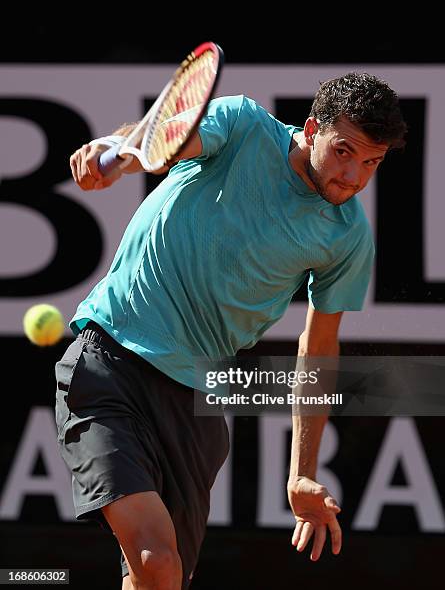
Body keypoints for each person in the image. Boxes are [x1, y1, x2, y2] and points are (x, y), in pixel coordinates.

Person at [55, 71, 407, 590]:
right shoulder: (241, 124)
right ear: (312, 129)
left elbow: (319, 350)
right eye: (344, 152)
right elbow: (164, 138)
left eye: (371, 163)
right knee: (157, 561)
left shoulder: (347, 236)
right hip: (111, 361)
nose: (354, 176)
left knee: (161, 582)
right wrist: (116, 151)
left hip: (197, 401)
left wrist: (301, 470)